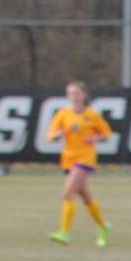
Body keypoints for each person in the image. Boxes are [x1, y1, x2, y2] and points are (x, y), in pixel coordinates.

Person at [45, 80, 113, 247]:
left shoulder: (92, 114)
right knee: (86, 197)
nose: (73, 97)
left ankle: (64, 232)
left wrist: (94, 138)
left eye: (76, 93)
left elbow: (106, 133)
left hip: (85, 159)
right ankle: (103, 226)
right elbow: (50, 135)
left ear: (84, 95)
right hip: (68, 159)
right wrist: (58, 135)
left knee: (68, 194)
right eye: (70, 94)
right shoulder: (63, 114)